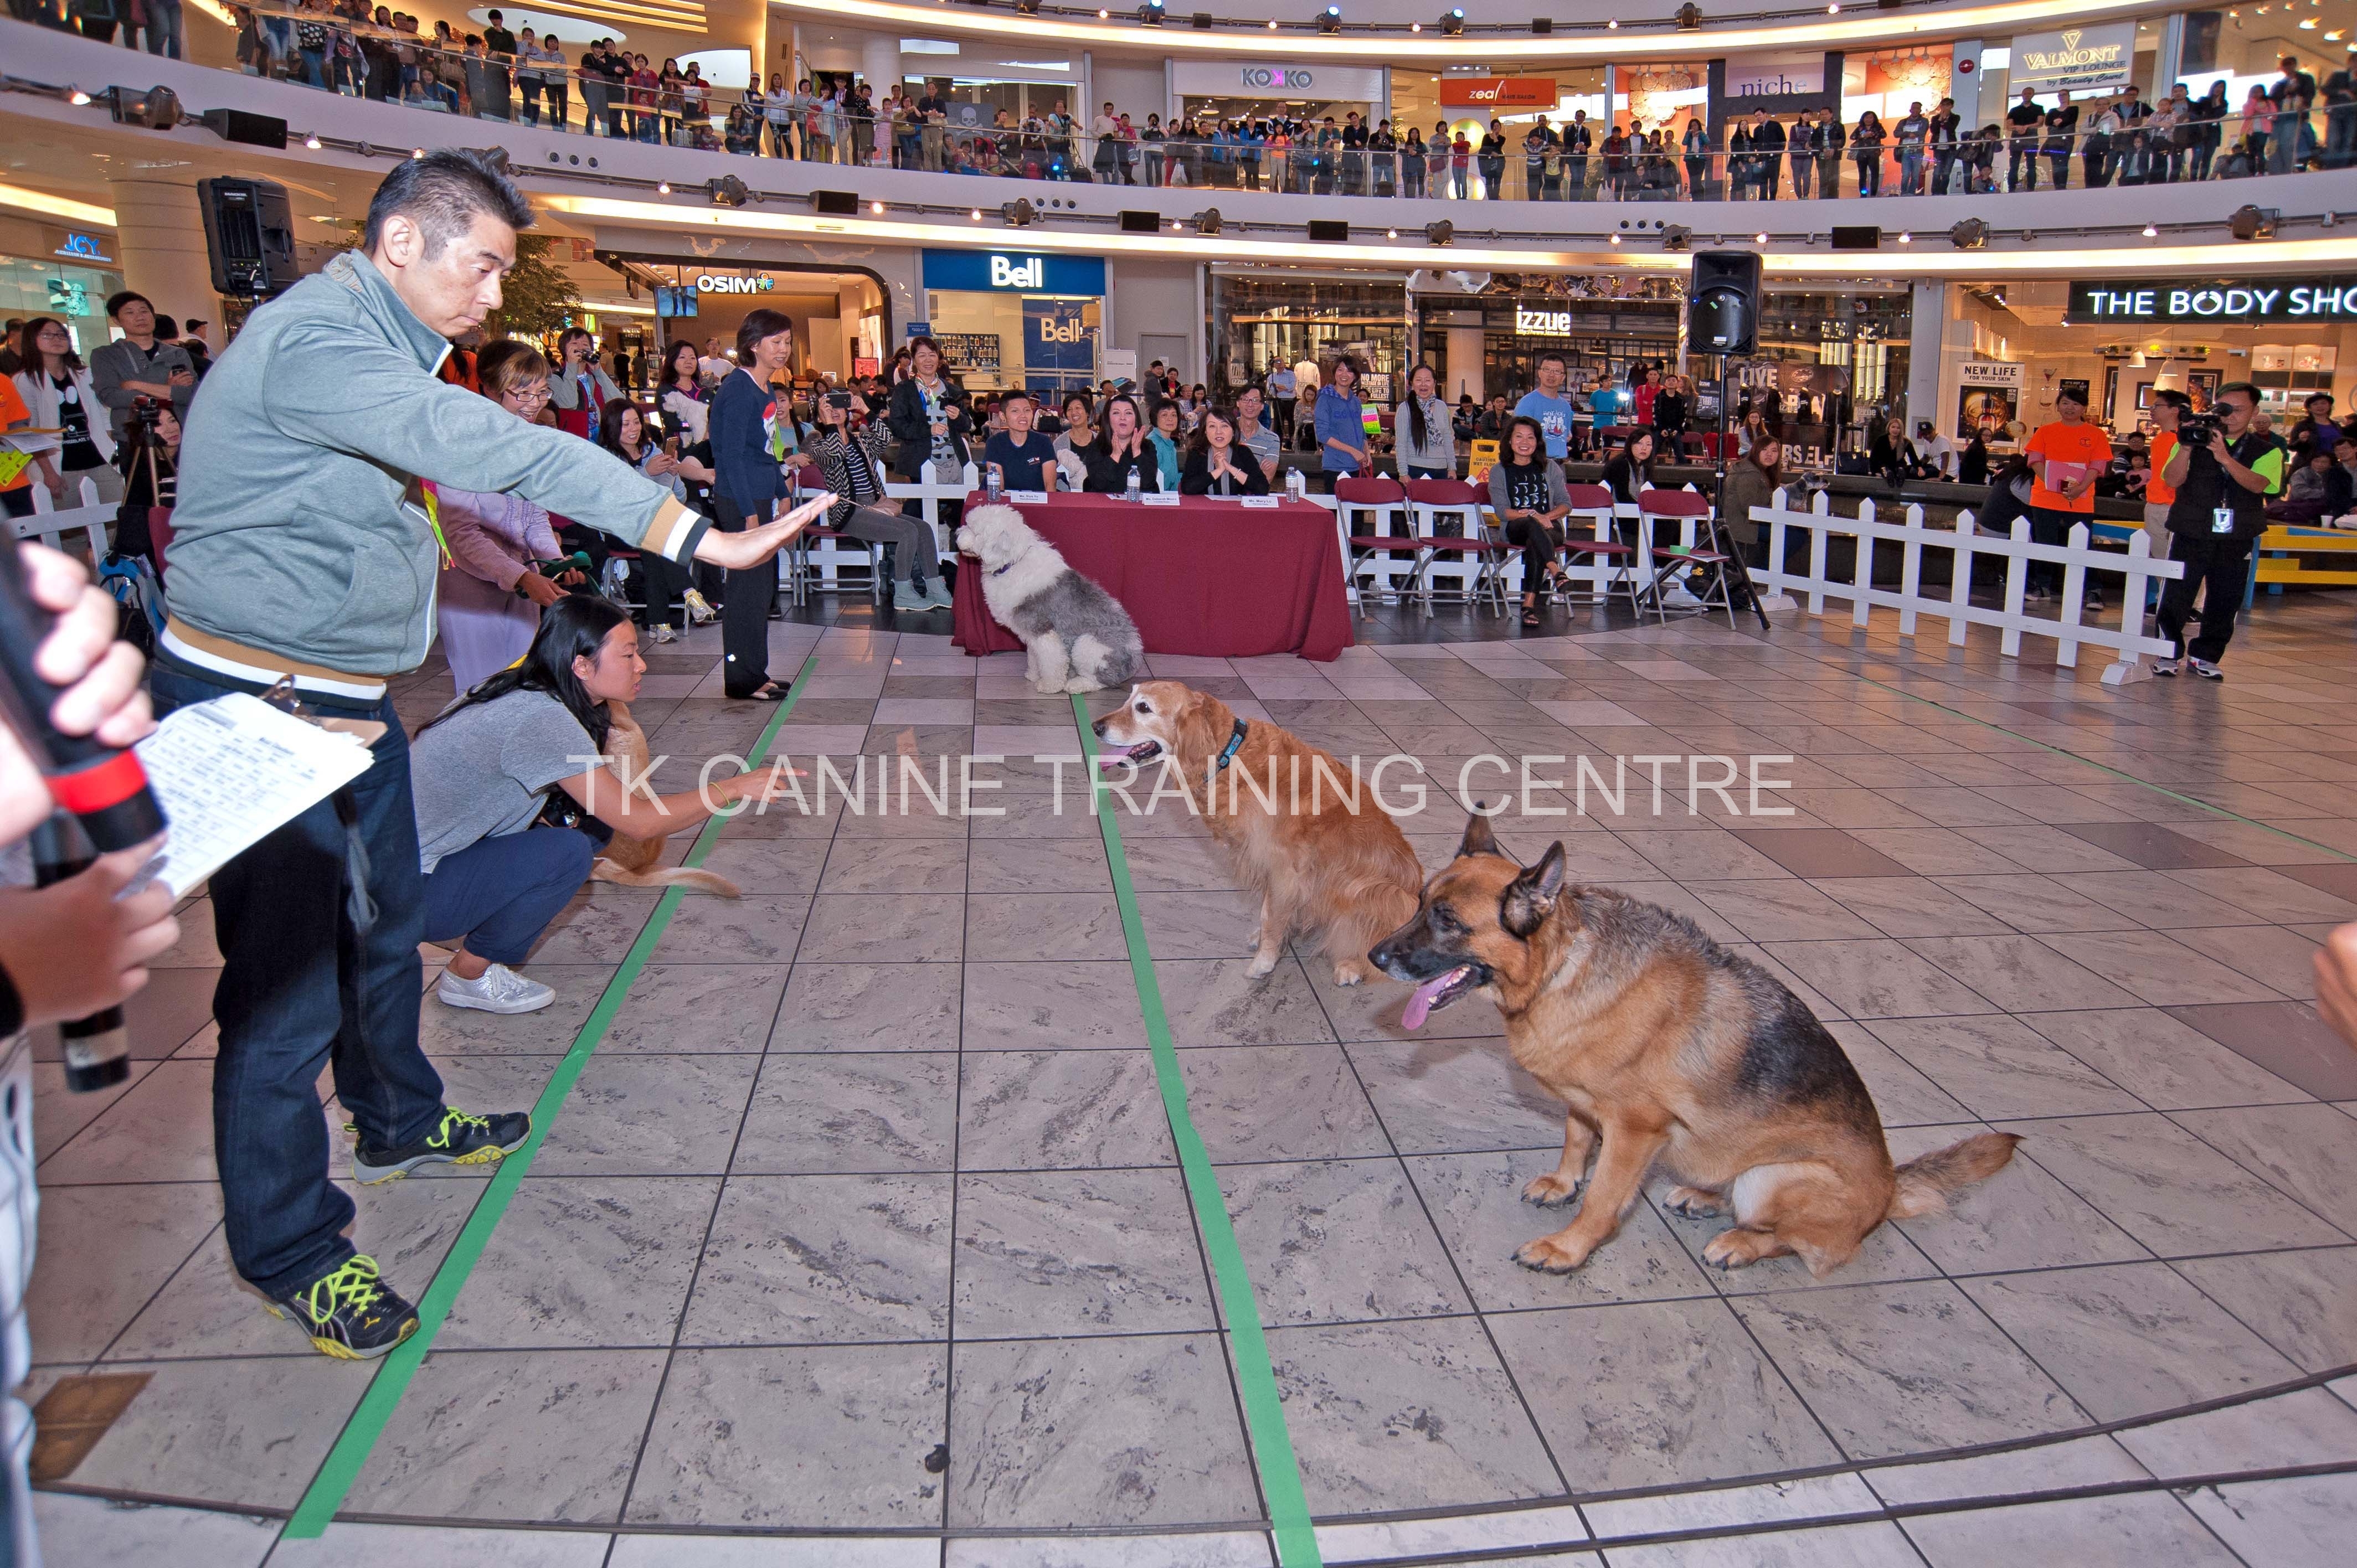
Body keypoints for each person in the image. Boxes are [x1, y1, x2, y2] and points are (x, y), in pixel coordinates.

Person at [150, 150, 824, 1361]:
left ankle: (398, 1120)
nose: (494, 294)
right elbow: (499, 448)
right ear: (404, 241)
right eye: (484, 265)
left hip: (345, 702)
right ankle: (293, 1251)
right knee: (281, 999)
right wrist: (698, 539)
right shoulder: (317, 345)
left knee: (384, 933)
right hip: (260, 705)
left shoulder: (382, 347)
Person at [412, 596, 776, 1016]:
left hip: (396, 869)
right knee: (567, 854)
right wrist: (732, 788)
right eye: (628, 655)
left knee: (591, 828)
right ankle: (468, 976)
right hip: (407, 893)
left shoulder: (519, 689)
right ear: (582, 666)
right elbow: (640, 823)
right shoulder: (541, 719)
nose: (641, 665)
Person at [434, 344, 573, 692]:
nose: (534, 403)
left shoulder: (529, 442)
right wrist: (522, 577)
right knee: (481, 693)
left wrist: (555, 562)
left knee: (524, 687)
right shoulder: (463, 447)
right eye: (522, 393)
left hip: (523, 587)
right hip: (471, 591)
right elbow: (462, 532)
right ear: (491, 389)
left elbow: (534, 516)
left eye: (542, 392)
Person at [714, 309, 826, 695]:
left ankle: (755, 672)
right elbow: (730, 458)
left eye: (787, 342)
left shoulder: (764, 389)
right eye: (776, 342)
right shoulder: (738, 388)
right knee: (745, 591)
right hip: (740, 500)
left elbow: (766, 452)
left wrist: (781, 492)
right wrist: (749, 513)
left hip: (761, 494)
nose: (784, 349)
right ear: (753, 344)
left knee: (762, 590)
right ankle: (740, 679)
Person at [2154, 381, 2284, 679]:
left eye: (2239, 410)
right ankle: (2167, 651)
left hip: (2238, 532)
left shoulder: (2268, 451)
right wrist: (2186, 448)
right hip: (2191, 527)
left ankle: (2206, 655)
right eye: (2225, 409)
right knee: (2177, 592)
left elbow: (2259, 485)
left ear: (2254, 412)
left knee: (2226, 597)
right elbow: (2172, 481)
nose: (2231, 416)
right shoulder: (2193, 438)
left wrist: (2225, 457)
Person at [807, 388, 948, 611]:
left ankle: (935, 588)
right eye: (828, 408)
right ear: (820, 417)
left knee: (923, 528)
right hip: (849, 511)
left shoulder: (861, 441)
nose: (835, 411)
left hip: (875, 506)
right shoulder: (819, 447)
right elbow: (835, 452)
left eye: (840, 407)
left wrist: (865, 410)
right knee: (907, 531)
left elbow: (885, 437)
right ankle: (903, 592)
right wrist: (831, 425)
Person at [598, 397, 704, 642]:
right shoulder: (606, 458)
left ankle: (660, 622)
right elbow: (620, 500)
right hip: (620, 528)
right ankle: (689, 593)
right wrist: (647, 473)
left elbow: (678, 498)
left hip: (653, 529)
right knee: (656, 539)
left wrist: (672, 474)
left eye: (636, 422)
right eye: (625, 424)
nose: (633, 429)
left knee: (653, 544)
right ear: (612, 426)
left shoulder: (652, 452)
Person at [10, 317, 122, 510]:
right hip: (60, 466)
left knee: (116, 513)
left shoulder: (84, 373)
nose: (57, 339)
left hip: (99, 458)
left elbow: (103, 416)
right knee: (70, 524)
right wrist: (48, 472)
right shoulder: (25, 380)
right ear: (32, 340)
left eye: (61, 334)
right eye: (47, 335)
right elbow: (30, 431)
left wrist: (110, 448)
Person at [885, 336, 972, 582]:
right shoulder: (905, 390)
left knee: (962, 516)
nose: (928, 360)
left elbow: (967, 424)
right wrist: (928, 429)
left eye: (932, 355)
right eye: (922, 355)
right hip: (921, 463)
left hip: (954, 463)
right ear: (913, 360)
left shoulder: (952, 390)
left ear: (939, 359)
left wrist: (957, 418)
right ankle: (905, 573)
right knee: (915, 515)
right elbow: (897, 426)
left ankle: (960, 572)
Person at [2023, 386, 2111, 604]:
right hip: (2046, 497)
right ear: (2058, 406)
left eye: (2076, 404)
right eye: (2065, 403)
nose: (2070, 408)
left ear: (2084, 408)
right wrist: (2052, 483)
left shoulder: (2096, 434)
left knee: (2083, 544)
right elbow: (2035, 460)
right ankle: (2043, 586)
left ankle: (2093, 590)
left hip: (2080, 499)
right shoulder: (2045, 431)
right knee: (2045, 543)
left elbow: (2098, 465)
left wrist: (2081, 487)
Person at [1489, 416, 1572, 628]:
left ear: (1538, 442)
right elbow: (1503, 512)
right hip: (1517, 526)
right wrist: (1533, 516)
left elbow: (1565, 504)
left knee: (1535, 539)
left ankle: (1529, 605)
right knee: (1531, 524)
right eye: (1519, 437)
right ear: (1509, 441)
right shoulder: (1499, 471)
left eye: (1530, 437)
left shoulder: (1550, 467)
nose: (1525, 442)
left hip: (1550, 527)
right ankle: (1555, 571)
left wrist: (1546, 517)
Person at [88, 290, 195, 447]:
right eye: (130, 312)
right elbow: (111, 396)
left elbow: (190, 395)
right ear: (116, 320)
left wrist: (135, 385)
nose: (140, 317)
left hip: (177, 436)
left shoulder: (177, 354)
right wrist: (169, 390)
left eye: (144, 311)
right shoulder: (105, 355)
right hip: (133, 439)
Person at [546, 324, 620, 437]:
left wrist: (599, 373)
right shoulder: (555, 378)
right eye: (575, 343)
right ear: (564, 349)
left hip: (601, 439)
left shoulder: (594, 377)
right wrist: (572, 366)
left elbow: (617, 401)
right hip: (574, 440)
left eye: (585, 345)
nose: (581, 348)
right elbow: (569, 404)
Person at [981, 388, 1059, 493]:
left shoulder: (1044, 442)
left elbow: (1050, 486)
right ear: (1003, 416)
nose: (1023, 416)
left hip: (1040, 501)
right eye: (1015, 411)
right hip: (1007, 502)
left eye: (1027, 410)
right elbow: (998, 487)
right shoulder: (995, 443)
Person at [1179, 406, 1269, 496]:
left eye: (1224, 426)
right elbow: (1187, 488)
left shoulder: (1243, 453)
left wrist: (1230, 468)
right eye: (1212, 426)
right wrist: (1218, 471)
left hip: (1236, 505)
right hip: (1206, 506)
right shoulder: (1197, 453)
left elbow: (1263, 489)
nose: (1219, 432)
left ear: (1233, 431)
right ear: (1205, 431)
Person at [1082, 394, 1159, 494]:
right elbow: (1098, 484)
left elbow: (1149, 483)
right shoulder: (1096, 447)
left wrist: (1137, 453)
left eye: (1128, 413)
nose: (1123, 418)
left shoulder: (1147, 446)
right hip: (1105, 504)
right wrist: (1115, 456)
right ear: (1108, 418)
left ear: (1136, 418)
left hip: (1138, 503)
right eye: (1116, 413)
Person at [1313, 357, 1369, 492]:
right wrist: (1354, 452)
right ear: (1334, 373)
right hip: (1335, 467)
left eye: (1349, 371)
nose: (1344, 374)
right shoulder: (1325, 400)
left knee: (1357, 505)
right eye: (1340, 370)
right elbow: (1322, 435)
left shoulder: (1356, 402)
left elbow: (1361, 431)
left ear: (1355, 376)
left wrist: (1367, 452)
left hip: (1357, 466)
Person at [2143, 389, 2187, 559]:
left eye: (2157, 406)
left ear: (2174, 410)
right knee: (2160, 558)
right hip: (2156, 503)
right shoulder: (2159, 439)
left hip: (2173, 505)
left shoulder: (2184, 440)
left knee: (2170, 561)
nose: (2152, 410)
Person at [1514, 352, 1579, 461]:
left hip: (1559, 464)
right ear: (1539, 373)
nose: (1551, 375)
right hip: (1535, 463)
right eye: (1547, 370)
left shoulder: (1566, 407)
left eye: (1557, 371)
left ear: (1563, 377)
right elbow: (1517, 439)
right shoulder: (1527, 403)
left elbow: (1567, 436)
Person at [1394, 364, 1454, 481]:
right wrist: (1403, 472)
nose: (1423, 384)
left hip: (1441, 469)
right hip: (1415, 469)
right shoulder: (1405, 408)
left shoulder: (1442, 407)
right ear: (1411, 383)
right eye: (1418, 380)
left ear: (1434, 383)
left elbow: (1447, 438)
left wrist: (1452, 467)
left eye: (1427, 380)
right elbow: (1401, 444)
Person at [657, 339, 711, 446]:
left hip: (705, 449)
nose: (689, 361)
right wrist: (700, 424)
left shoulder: (704, 391)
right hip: (679, 449)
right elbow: (673, 422)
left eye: (692, 358)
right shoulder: (666, 391)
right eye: (682, 357)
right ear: (672, 361)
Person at [1232, 384, 1282, 483]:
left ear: (1262, 406)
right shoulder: (1226, 432)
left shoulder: (1272, 439)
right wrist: (1257, 471)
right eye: (1245, 400)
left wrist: (1235, 470)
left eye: (1255, 400)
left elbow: (1265, 481)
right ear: (1238, 403)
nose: (1250, 404)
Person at [1051, 391, 1097, 488]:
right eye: (1069, 410)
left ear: (1087, 413)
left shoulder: (1100, 441)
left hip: (1095, 494)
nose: (1074, 413)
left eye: (1078, 408)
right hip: (1066, 494)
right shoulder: (1059, 443)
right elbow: (1053, 475)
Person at [2007, 88, 2044, 189]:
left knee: (2031, 165)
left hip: (2031, 137)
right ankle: (2011, 188)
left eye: (2029, 94)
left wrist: (2026, 127)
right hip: (2017, 138)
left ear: (2033, 95)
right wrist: (2018, 127)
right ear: (2022, 95)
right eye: (2025, 94)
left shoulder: (2038, 108)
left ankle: (2031, 188)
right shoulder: (2014, 110)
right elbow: (2009, 126)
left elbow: (2040, 123)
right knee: (2014, 165)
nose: (2027, 95)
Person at [1267, 362, 1299, 446]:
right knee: (1278, 424)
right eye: (1277, 362)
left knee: (1292, 422)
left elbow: (1291, 387)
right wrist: (1284, 388)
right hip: (1278, 401)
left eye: (1280, 361)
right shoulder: (1271, 377)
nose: (1279, 364)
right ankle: (1278, 444)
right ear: (1274, 365)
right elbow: (1271, 390)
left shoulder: (1291, 374)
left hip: (1290, 401)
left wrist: (1279, 387)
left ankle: (1293, 444)